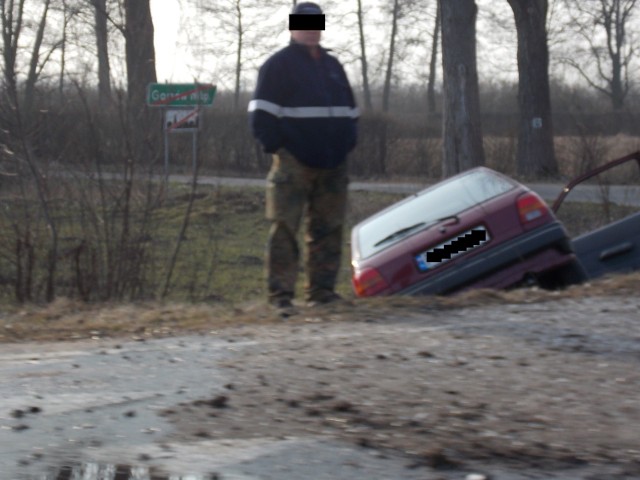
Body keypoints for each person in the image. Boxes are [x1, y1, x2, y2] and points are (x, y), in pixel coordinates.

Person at [248, 2, 358, 312]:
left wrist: (347, 144)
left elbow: (351, 112)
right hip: (294, 163)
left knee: (329, 229)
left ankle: (321, 294)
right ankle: (281, 297)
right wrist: (280, 148)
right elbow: (261, 118)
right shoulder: (277, 66)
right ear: (293, 28)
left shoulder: (333, 67)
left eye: (316, 24)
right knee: (284, 230)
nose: (311, 30)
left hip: (334, 163)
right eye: (305, 24)